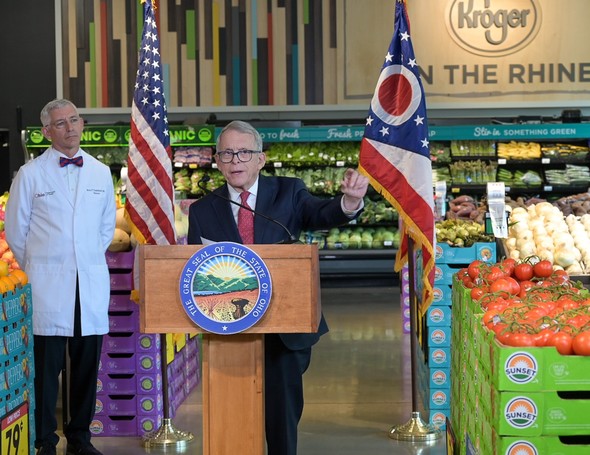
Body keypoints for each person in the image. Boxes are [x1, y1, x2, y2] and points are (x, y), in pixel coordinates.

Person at [187, 120, 369, 455]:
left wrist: (349, 203)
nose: (235, 160)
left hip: (284, 323)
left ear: (261, 159)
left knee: (281, 413)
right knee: (234, 413)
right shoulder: (202, 209)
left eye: (244, 152)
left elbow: (321, 213)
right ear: (217, 160)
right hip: (229, 327)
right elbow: (196, 268)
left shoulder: (289, 190)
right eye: (227, 153)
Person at [5, 99, 116, 455]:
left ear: (82, 124)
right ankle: (45, 442)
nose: (69, 128)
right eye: (60, 123)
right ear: (46, 132)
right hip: (48, 289)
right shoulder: (31, 174)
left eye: (73, 120)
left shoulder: (101, 172)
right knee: (44, 374)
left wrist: (80, 258)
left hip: (90, 285)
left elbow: (105, 229)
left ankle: (81, 439)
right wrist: (47, 264)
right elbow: (16, 233)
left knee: (86, 370)